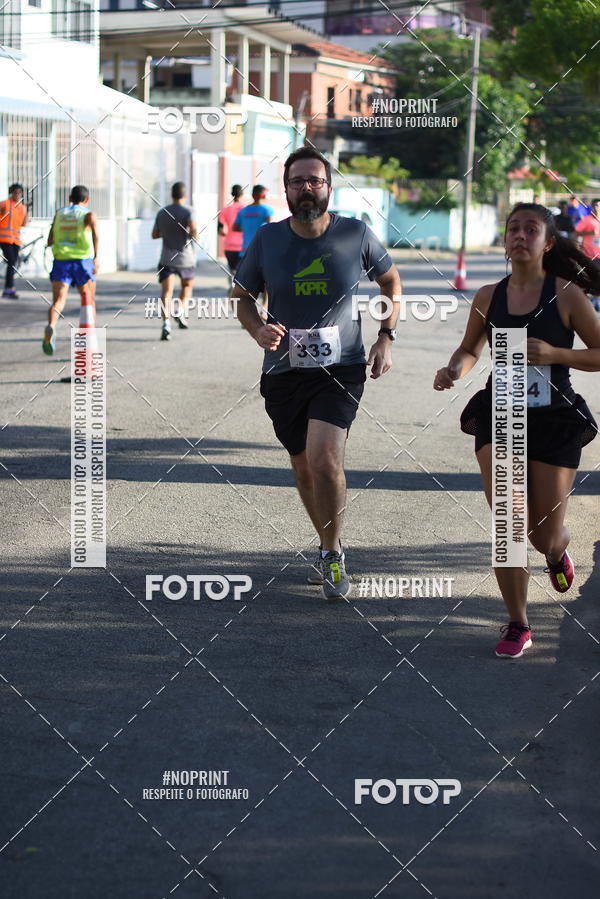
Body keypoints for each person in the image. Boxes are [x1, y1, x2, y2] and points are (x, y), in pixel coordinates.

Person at [233, 147, 401, 600]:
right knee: (304, 467)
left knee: (325, 458)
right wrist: (257, 328)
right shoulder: (268, 239)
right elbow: (242, 296)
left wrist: (386, 336)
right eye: (298, 181)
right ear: (286, 189)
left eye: (315, 180)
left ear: (329, 187)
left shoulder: (355, 234)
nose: (307, 187)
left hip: (342, 367)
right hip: (284, 371)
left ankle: (331, 552)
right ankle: (329, 542)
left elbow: (390, 281)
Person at [434, 203, 600, 658]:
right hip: (499, 411)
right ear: (505, 240)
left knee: (543, 533)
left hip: (554, 417)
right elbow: (469, 348)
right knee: (508, 518)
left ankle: (555, 551)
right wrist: (454, 368)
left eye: (531, 229)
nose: (520, 235)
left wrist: (554, 354)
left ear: (548, 242)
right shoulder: (489, 296)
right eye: (513, 229)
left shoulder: (566, 294)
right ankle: (517, 623)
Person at [44, 185, 98, 356]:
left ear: (69, 198)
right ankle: (91, 334)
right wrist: (96, 257)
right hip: (82, 261)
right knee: (88, 300)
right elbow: (96, 235)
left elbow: (50, 240)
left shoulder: (59, 213)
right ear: (87, 199)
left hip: (61, 261)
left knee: (58, 301)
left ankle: (51, 327)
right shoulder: (88, 214)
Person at [152, 182, 198, 341]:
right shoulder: (189, 211)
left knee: (166, 292)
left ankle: (166, 324)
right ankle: (181, 310)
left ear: (172, 194)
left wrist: (167, 232)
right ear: (184, 195)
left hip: (166, 258)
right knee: (187, 287)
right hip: (186, 258)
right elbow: (193, 232)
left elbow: (155, 234)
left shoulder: (162, 212)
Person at [0, 183, 28, 299]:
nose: (17, 194)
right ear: (11, 193)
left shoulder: (22, 207)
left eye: (19, 192)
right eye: (15, 192)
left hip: (15, 240)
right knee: (11, 261)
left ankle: (8, 289)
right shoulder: (5, 204)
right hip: (4, 238)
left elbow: (24, 224)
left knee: (13, 264)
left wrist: (28, 211)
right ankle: (9, 288)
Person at [218, 184, 246, 288]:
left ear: (232, 194)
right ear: (242, 194)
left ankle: (232, 285)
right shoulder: (246, 210)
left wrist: (226, 232)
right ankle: (238, 287)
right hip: (243, 245)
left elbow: (221, 231)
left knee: (232, 269)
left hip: (229, 245)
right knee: (241, 269)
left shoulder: (225, 210)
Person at [575, 198, 600, 311]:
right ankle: (589, 302)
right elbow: (576, 232)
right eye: (594, 206)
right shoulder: (587, 220)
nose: (596, 208)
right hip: (590, 256)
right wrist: (589, 233)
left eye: (598, 206)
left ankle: (595, 301)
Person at [233, 184, 273, 254]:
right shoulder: (267, 210)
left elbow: (235, 228)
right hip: (260, 251)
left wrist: (246, 228)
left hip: (245, 251)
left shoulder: (243, 211)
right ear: (263, 195)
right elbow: (271, 228)